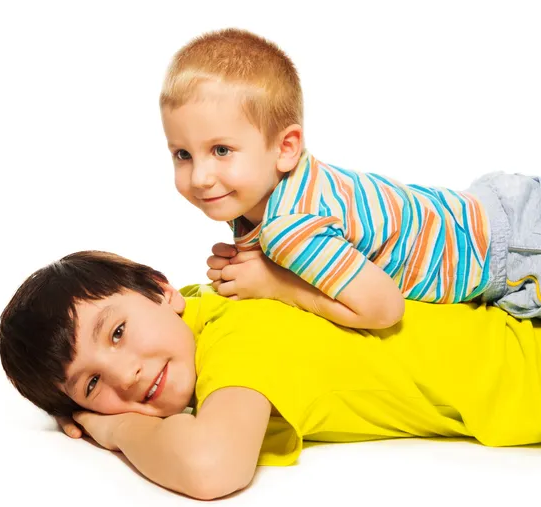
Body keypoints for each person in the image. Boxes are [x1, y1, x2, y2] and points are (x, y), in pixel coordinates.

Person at [0, 250, 541, 500]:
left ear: (162, 291)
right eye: (92, 385)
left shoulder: (241, 335)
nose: (128, 375)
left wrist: (113, 429)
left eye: (116, 333)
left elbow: (211, 467)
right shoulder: (201, 314)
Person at [159, 28, 541, 329]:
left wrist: (275, 286)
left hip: (515, 252)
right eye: (183, 154)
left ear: (286, 147)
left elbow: (385, 308)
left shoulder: (288, 230)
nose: (201, 177)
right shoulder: (262, 195)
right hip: (497, 211)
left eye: (221, 150)